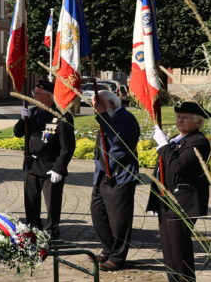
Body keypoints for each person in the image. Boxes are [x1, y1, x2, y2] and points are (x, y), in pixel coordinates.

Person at [150, 101, 211, 282]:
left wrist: (163, 146)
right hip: (167, 200)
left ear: (197, 121)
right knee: (168, 245)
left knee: (179, 246)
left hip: (183, 201)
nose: (180, 120)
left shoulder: (198, 141)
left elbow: (178, 169)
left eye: (185, 117)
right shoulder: (179, 139)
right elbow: (162, 171)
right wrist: (153, 200)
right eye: (178, 117)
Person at [13, 80, 75, 238]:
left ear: (49, 96)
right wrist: (22, 119)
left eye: (38, 94)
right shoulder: (33, 112)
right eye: (34, 93)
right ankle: (33, 228)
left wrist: (59, 168)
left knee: (52, 203)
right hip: (32, 164)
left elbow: (67, 146)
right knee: (31, 201)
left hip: (50, 165)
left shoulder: (61, 115)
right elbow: (18, 133)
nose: (34, 96)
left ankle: (51, 232)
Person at [90, 90, 140, 271]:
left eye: (99, 105)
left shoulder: (126, 119)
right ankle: (108, 247)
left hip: (120, 176)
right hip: (102, 175)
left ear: (110, 104)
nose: (95, 108)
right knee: (98, 214)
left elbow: (119, 145)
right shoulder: (108, 117)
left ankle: (118, 256)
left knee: (119, 220)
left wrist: (103, 116)